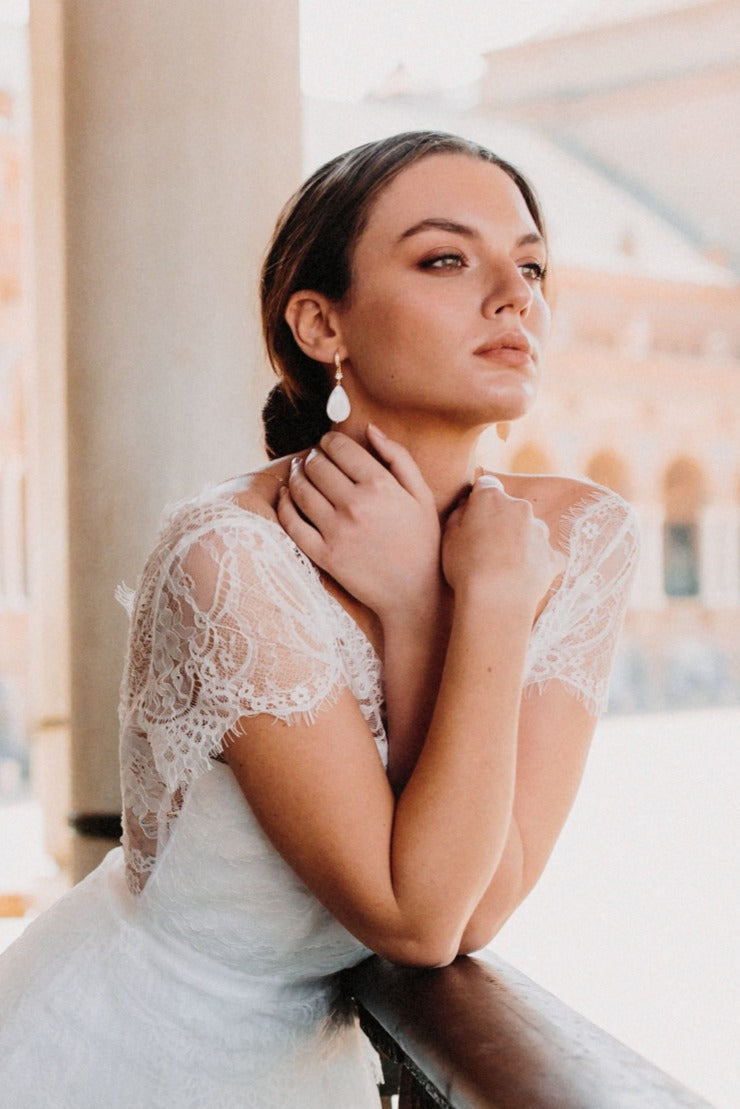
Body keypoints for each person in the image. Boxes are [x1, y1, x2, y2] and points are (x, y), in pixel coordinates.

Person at [0, 131, 638, 1107]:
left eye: (530, 264)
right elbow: (418, 918)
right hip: (117, 1057)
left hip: (317, 1065)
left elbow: (480, 903)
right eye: (443, 258)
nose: (513, 295)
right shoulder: (228, 552)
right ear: (318, 324)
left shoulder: (577, 534)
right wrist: (473, 606)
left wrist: (421, 607)